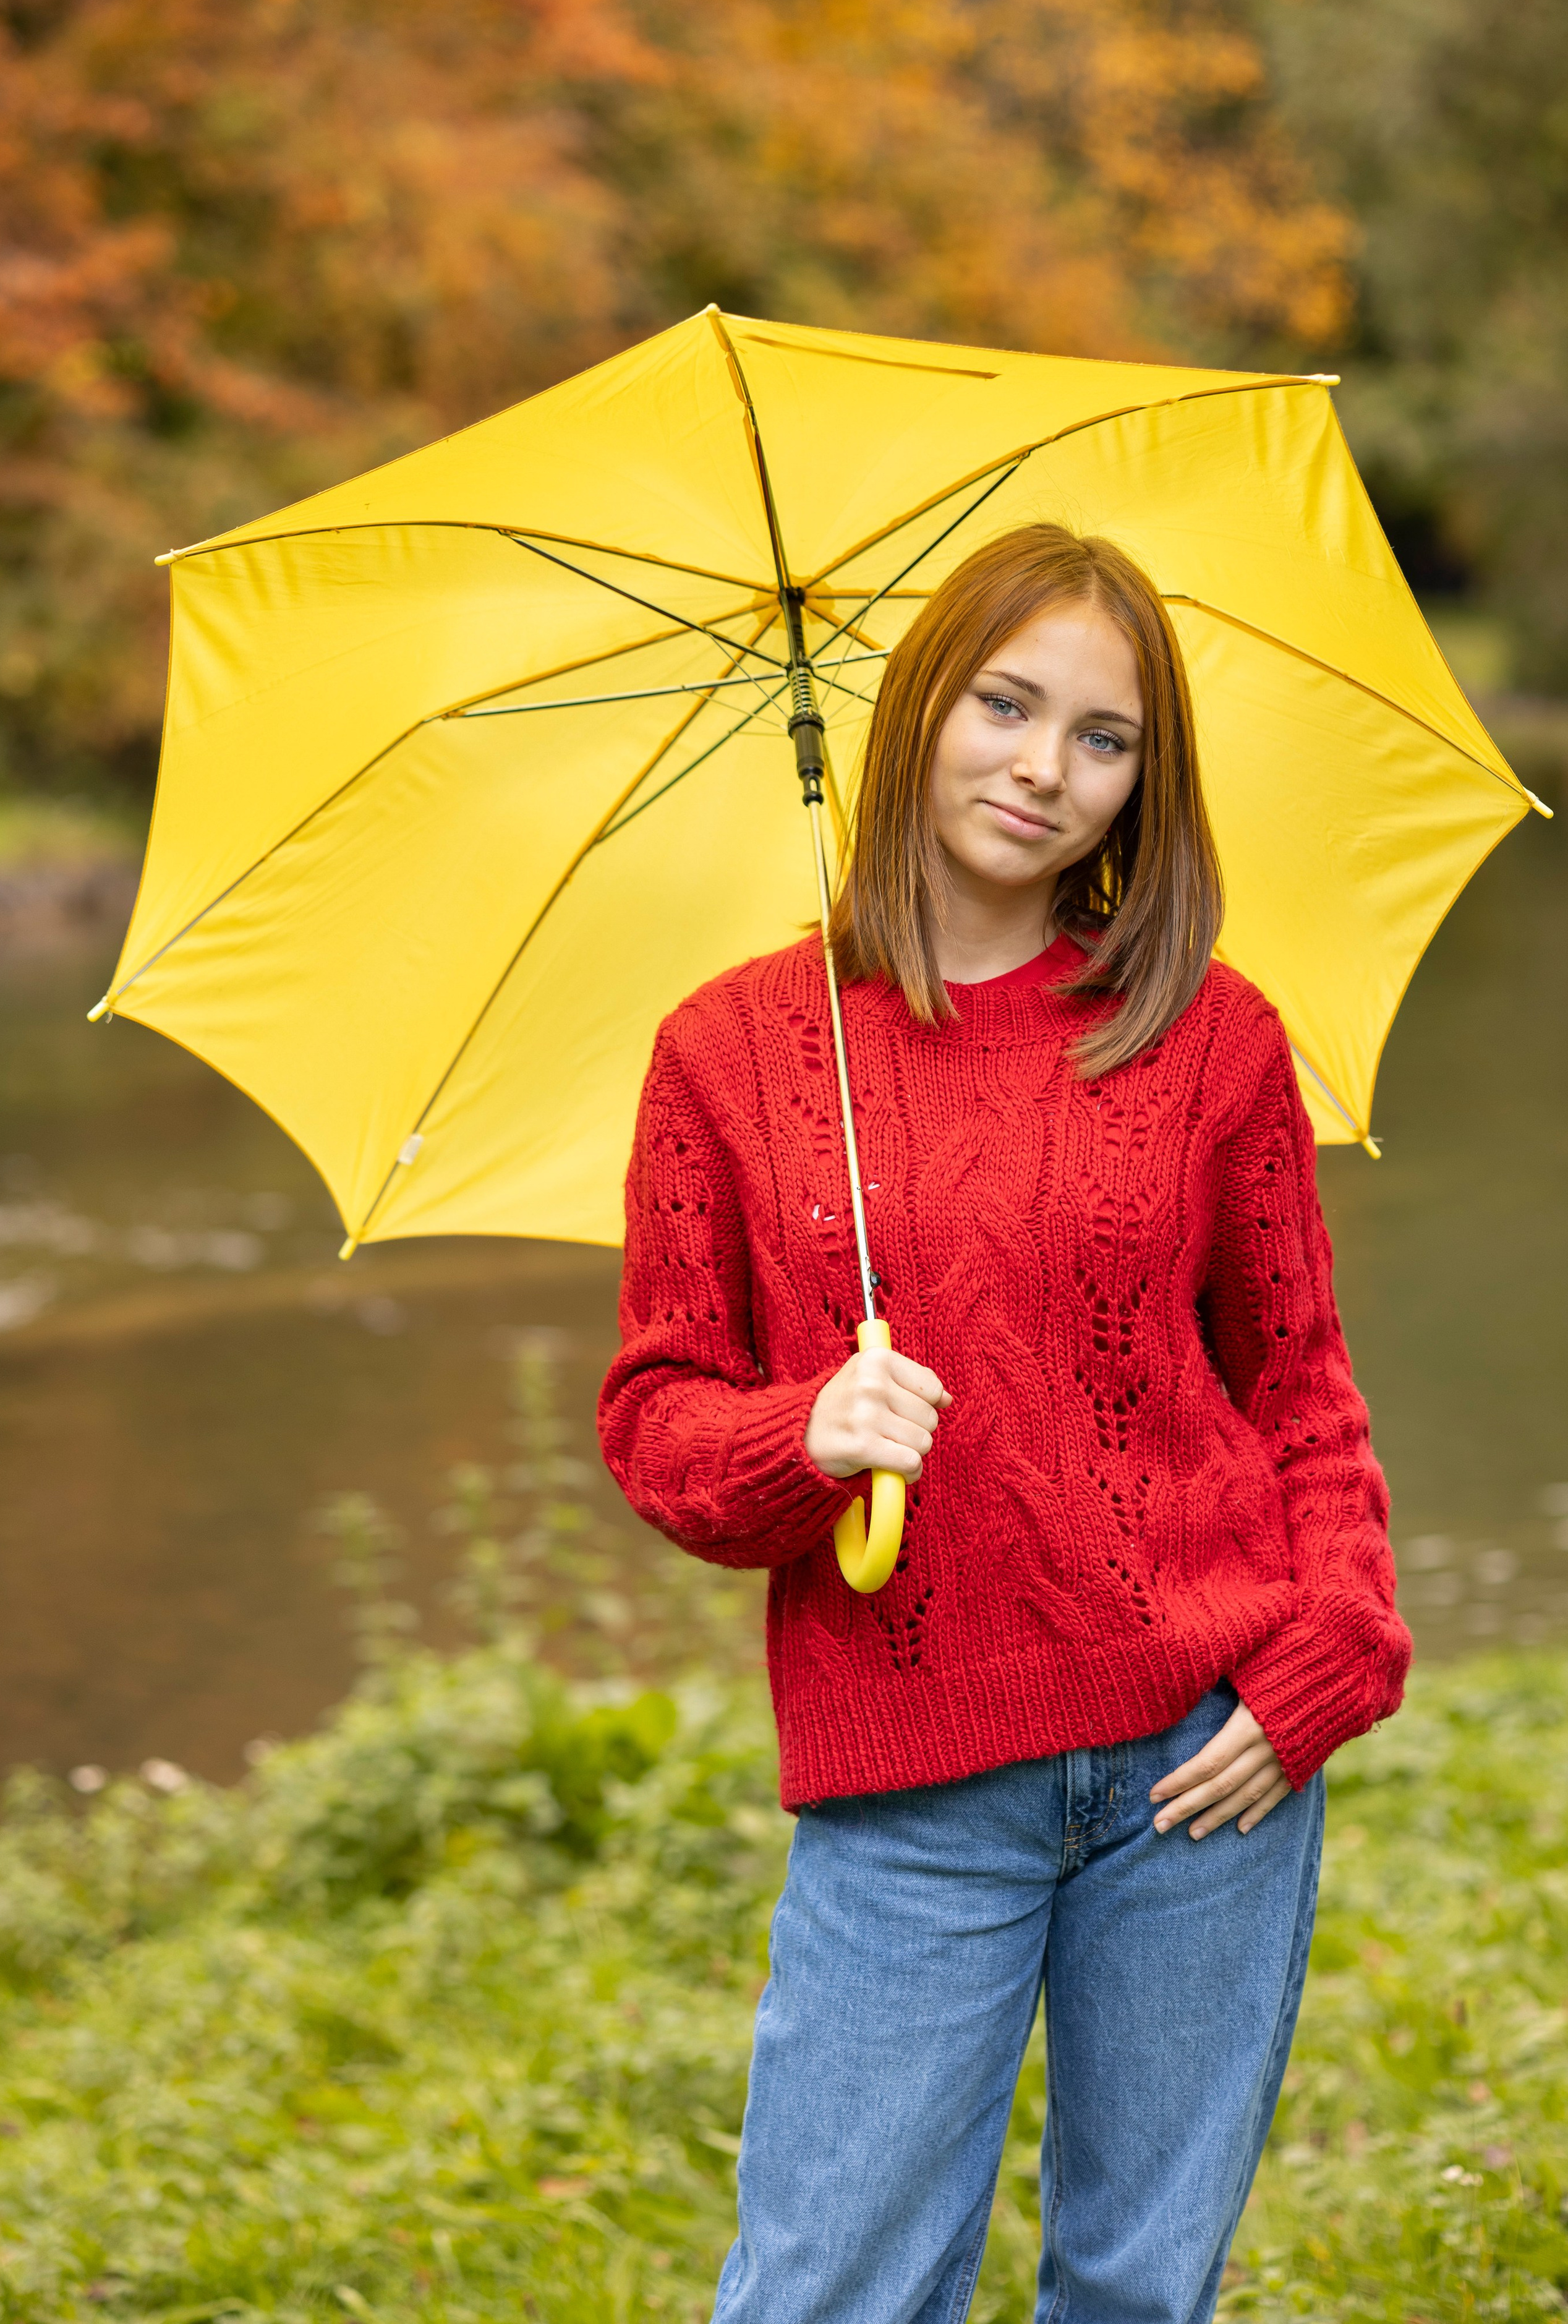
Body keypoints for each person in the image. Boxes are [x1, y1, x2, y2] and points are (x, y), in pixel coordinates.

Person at [597, 524, 1410, 2324]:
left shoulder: (1207, 1036)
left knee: (1136, 2288)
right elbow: (658, 1418)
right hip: (911, 1773)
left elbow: (1300, 1387)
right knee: (830, 2290)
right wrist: (797, 1433)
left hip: (1206, 1760)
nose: (1044, 769)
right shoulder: (732, 1051)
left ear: (1144, 781)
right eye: (1005, 704)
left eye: (1103, 737)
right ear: (920, 710)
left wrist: (1335, 1643)